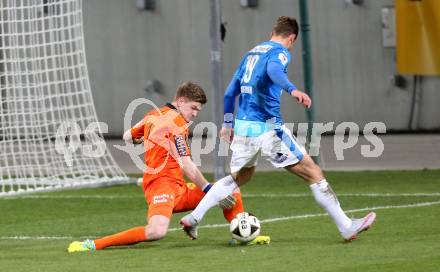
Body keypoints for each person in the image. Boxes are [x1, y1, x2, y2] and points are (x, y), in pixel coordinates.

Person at [180, 16, 376, 242]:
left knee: (238, 178)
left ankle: (194, 218)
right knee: (313, 172)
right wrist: (293, 90)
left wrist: (227, 124)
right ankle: (346, 226)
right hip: (268, 127)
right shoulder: (279, 53)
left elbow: (229, 93)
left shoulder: (250, 54)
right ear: (291, 38)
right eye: (293, 42)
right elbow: (274, 70)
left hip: (243, 127)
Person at [68, 82, 269, 253]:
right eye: (193, 108)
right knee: (156, 232)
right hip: (160, 185)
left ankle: (241, 236)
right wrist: (210, 190)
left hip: (178, 187)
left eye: (198, 110)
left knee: (231, 187)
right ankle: (92, 245)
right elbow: (187, 166)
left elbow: (128, 136)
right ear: (181, 102)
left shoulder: (153, 115)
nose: (195, 114)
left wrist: (147, 140)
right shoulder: (176, 123)